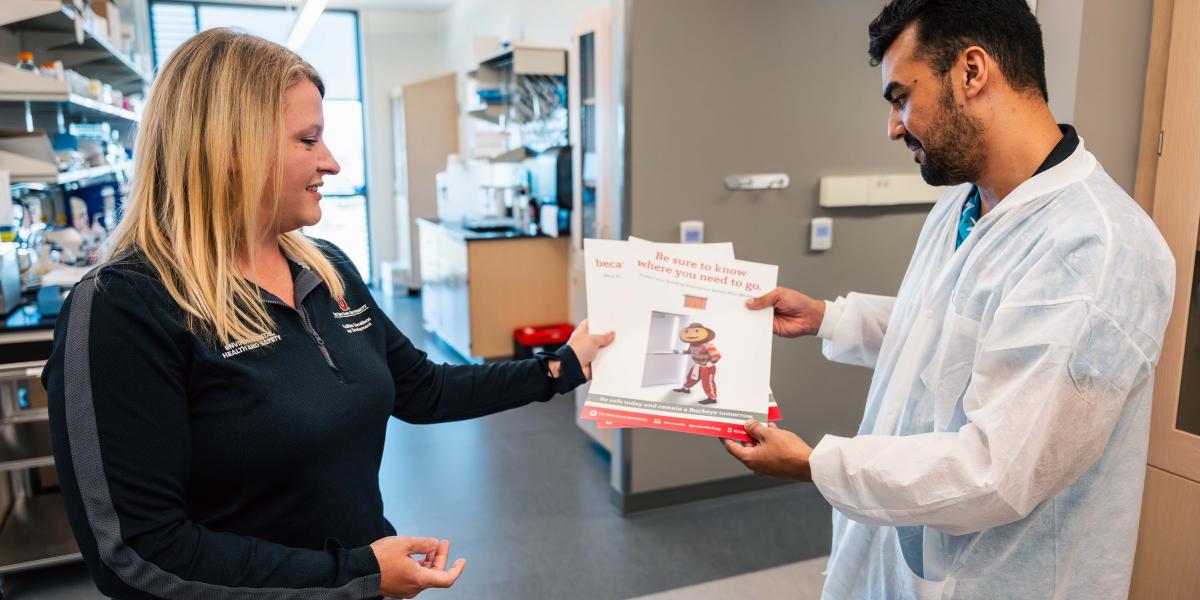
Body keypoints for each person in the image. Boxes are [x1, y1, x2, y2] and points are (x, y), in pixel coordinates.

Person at [43, 28, 612, 600]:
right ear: (230, 149)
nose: (332, 162)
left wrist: (563, 368)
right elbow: (135, 557)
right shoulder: (125, 307)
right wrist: (354, 574)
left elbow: (422, 388)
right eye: (307, 140)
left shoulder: (326, 270)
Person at [722, 1, 1175, 598]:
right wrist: (831, 318)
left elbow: (997, 471)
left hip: (1000, 577)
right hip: (907, 553)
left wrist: (815, 465)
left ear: (971, 71)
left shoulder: (1095, 248)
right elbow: (957, 333)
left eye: (900, 97)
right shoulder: (964, 204)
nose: (892, 126)